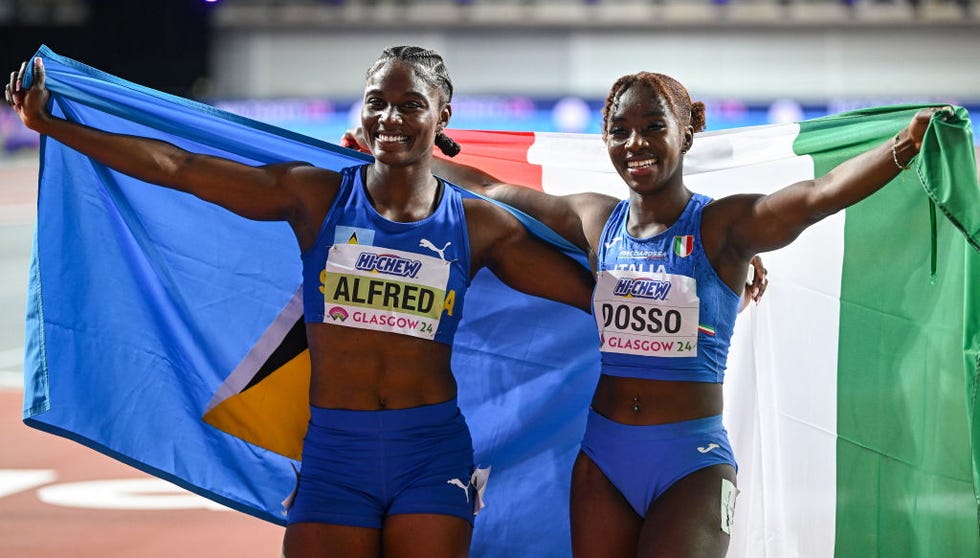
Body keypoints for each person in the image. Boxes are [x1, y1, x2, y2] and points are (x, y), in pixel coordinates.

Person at [5, 46, 599, 558]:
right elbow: (180, 168)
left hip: (431, 451)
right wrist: (55, 126)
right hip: (336, 452)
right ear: (362, 111)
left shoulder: (478, 224)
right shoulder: (314, 198)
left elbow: (592, 303)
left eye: (411, 104)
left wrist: (676, 304)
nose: (390, 117)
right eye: (376, 102)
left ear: (441, 115)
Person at [387, 72, 943, 557]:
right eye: (621, 130)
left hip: (691, 464)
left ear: (685, 133)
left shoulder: (723, 229)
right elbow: (489, 188)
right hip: (602, 459)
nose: (637, 143)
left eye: (654, 126)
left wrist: (904, 143)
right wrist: (395, 153)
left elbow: (817, 195)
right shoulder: (594, 222)